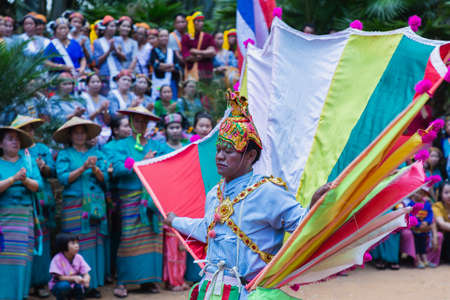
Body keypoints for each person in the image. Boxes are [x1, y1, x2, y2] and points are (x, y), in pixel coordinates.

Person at [163, 90, 329, 299]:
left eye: (229, 151)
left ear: (250, 156)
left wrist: (315, 208)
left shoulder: (268, 191)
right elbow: (206, 228)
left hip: (249, 293)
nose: (220, 156)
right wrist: (175, 221)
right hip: (211, 291)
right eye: (219, 149)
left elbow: (302, 226)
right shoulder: (216, 192)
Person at [110, 106, 171, 297]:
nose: (140, 124)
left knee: (153, 240)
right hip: (130, 199)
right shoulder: (117, 146)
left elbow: (171, 158)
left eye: (144, 121)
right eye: (137, 120)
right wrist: (141, 163)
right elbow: (117, 169)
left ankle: (148, 281)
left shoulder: (158, 145)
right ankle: (123, 282)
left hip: (152, 200)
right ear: (130, 123)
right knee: (128, 238)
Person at [54, 117, 108, 298]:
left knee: (94, 243)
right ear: (70, 135)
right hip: (74, 205)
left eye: (82, 132)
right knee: (74, 244)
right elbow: (63, 179)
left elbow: (105, 179)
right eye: (76, 132)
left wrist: (95, 169)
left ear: (86, 135)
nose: (79, 135)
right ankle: (75, 285)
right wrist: (83, 167)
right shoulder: (65, 154)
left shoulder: (96, 152)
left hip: (94, 206)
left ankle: (92, 284)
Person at [11, 115, 56, 298]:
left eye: (31, 128)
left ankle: (41, 282)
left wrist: (43, 167)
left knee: (42, 241)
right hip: (22, 203)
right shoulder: (14, 152)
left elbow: (53, 172)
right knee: (22, 244)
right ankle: (25, 283)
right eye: (24, 128)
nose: (28, 132)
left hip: (42, 199)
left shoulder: (42, 148)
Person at [0, 125, 42, 300]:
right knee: (4, 260)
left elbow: (38, 186)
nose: (15, 142)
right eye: (10, 138)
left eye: (17, 138)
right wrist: (12, 179)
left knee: (24, 259)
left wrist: (25, 180)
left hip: (25, 217)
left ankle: (20, 295)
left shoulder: (28, 160)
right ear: (1, 144)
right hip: (4, 218)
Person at [49, 233, 91, 300]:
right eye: (73, 243)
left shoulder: (79, 257)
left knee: (83, 287)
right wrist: (74, 278)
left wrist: (86, 280)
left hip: (75, 284)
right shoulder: (57, 259)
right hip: (59, 285)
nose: (77, 246)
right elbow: (60, 278)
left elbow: (86, 274)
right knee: (64, 286)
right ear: (63, 245)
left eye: (77, 243)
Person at [181, 12, 216, 82]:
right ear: (192, 22)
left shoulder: (208, 36)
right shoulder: (186, 38)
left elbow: (213, 52)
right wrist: (205, 54)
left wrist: (196, 52)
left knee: (207, 92)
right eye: (198, 21)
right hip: (192, 72)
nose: (201, 23)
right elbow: (187, 57)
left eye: (202, 21)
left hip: (207, 71)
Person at [93, 15, 123, 94]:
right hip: (105, 74)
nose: (114, 28)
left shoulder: (119, 40)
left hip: (118, 72)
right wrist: (109, 50)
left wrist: (116, 50)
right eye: (111, 26)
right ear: (105, 28)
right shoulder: (98, 42)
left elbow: (124, 58)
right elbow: (97, 62)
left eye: (114, 26)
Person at [150, 28, 182, 100]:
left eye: (166, 36)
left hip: (171, 81)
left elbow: (177, 67)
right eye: (161, 36)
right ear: (158, 38)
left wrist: (162, 66)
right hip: (158, 81)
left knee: (172, 103)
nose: (164, 38)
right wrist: (170, 65)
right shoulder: (154, 51)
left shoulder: (172, 52)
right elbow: (155, 65)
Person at [81, 73, 111, 144]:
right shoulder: (83, 98)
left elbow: (107, 122)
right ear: (87, 84)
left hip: (103, 130)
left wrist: (106, 110)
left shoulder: (104, 99)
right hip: (88, 128)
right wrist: (99, 110)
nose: (96, 84)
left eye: (98, 82)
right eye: (93, 82)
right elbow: (85, 119)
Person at [433, 181, 450, 263]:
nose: (449, 195)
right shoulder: (437, 206)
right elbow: (442, 224)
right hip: (442, 237)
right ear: (440, 194)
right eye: (446, 193)